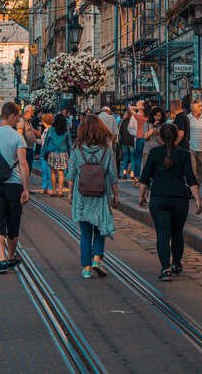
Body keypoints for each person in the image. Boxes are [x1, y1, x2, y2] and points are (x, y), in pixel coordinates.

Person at [138, 122, 202, 280]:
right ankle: (176, 263)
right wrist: (198, 200)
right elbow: (191, 178)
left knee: (162, 234)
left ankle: (165, 268)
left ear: (160, 137)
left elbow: (144, 178)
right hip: (179, 199)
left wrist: (142, 196)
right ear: (176, 137)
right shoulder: (184, 154)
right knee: (177, 233)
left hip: (159, 197)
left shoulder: (154, 153)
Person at [65, 113, 118, 278]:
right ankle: (97, 259)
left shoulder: (77, 148)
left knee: (86, 233)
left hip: (82, 194)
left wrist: (69, 193)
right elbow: (112, 173)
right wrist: (116, 194)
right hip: (100, 194)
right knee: (100, 229)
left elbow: (71, 172)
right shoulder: (106, 149)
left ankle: (86, 268)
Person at [0, 101, 31, 273]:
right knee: (13, 221)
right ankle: (11, 256)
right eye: (17, 117)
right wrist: (26, 188)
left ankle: (1, 258)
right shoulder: (17, 137)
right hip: (14, 184)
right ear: (12, 116)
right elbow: (23, 163)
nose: (18, 121)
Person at [43, 113, 73, 198]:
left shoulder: (51, 130)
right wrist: (70, 155)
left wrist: (44, 153)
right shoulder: (66, 131)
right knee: (61, 173)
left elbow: (46, 143)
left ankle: (53, 190)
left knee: (52, 172)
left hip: (52, 153)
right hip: (63, 153)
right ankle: (60, 191)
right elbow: (69, 144)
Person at [186, 100, 202, 184]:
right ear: (192, 108)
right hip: (190, 149)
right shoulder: (187, 118)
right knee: (193, 172)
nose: (201, 107)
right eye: (199, 106)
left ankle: (195, 188)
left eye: (201, 106)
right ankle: (193, 190)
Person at [117, 107, 136, 180]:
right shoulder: (134, 120)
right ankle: (132, 174)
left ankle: (124, 173)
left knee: (125, 157)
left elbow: (120, 132)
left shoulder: (123, 121)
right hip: (131, 141)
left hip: (124, 141)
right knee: (132, 158)